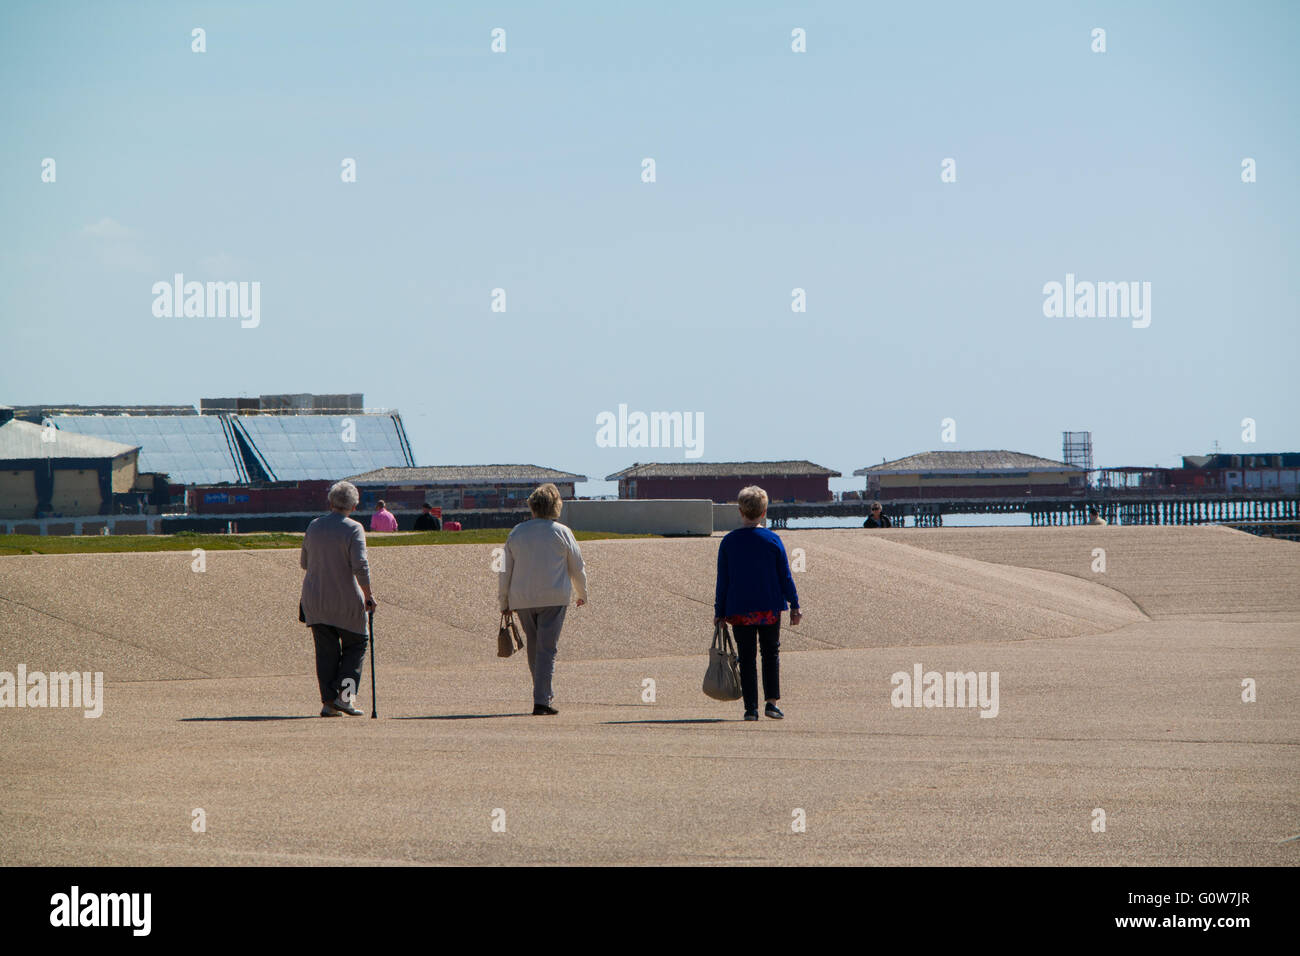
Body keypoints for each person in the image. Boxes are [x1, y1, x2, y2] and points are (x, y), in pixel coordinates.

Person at [498, 483, 588, 715]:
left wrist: (504, 602)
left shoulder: (517, 532)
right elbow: (577, 567)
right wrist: (582, 593)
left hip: (522, 598)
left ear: (533, 507)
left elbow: (504, 570)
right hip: (554, 597)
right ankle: (542, 700)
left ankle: (541, 694)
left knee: (535, 646)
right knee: (547, 648)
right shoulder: (562, 532)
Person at [714, 486, 801, 722]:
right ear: (764, 512)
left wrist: (719, 612)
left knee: (747, 657)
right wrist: (795, 604)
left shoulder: (729, 542)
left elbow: (723, 580)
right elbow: (785, 575)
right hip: (769, 607)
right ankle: (771, 704)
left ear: (740, 511)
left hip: (739, 608)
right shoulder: (773, 539)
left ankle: (750, 708)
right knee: (770, 653)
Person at [300, 481, 377, 717]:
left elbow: (304, 562)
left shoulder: (314, 526)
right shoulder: (354, 528)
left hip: (315, 598)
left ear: (330, 502)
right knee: (356, 645)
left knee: (326, 653)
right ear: (354, 506)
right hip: (346, 600)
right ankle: (345, 699)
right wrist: (368, 595)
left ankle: (329, 702)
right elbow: (360, 566)